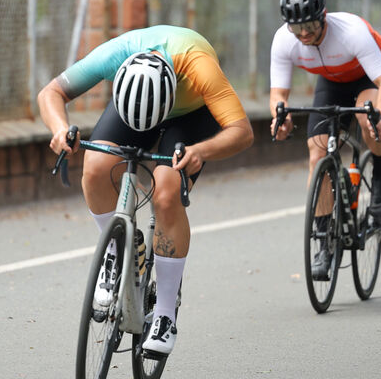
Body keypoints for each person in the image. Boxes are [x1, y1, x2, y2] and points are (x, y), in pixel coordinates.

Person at [38, 25, 254, 355]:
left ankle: (166, 311)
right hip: (133, 105)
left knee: (166, 193)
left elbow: (242, 131)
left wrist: (201, 152)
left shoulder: (199, 68)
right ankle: (118, 250)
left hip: (191, 116)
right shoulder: (115, 53)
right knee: (96, 166)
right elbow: (51, 93)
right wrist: (60, 129)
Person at [269, 0, 381, 280]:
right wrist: (280, 118)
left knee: (370, 124)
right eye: (296, 27)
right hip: (332, 82)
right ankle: (324, 241)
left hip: (371, 75)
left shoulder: (351, 32)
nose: (303, 34)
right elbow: (278, 95)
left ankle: (380, 171)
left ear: (323, 16)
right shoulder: (284, 40)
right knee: (317, 152)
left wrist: (379, 118)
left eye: (311, 26)